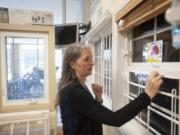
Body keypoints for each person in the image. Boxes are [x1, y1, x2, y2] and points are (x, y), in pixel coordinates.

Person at [58, 44, 163, 135]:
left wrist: (98, 98)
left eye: (92, 58)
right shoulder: (74, 91)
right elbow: (115, 119)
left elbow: (89, 114)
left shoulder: (79, 86)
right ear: (72, 64)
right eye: (87, 59)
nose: (93, 62)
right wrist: (147, 95)